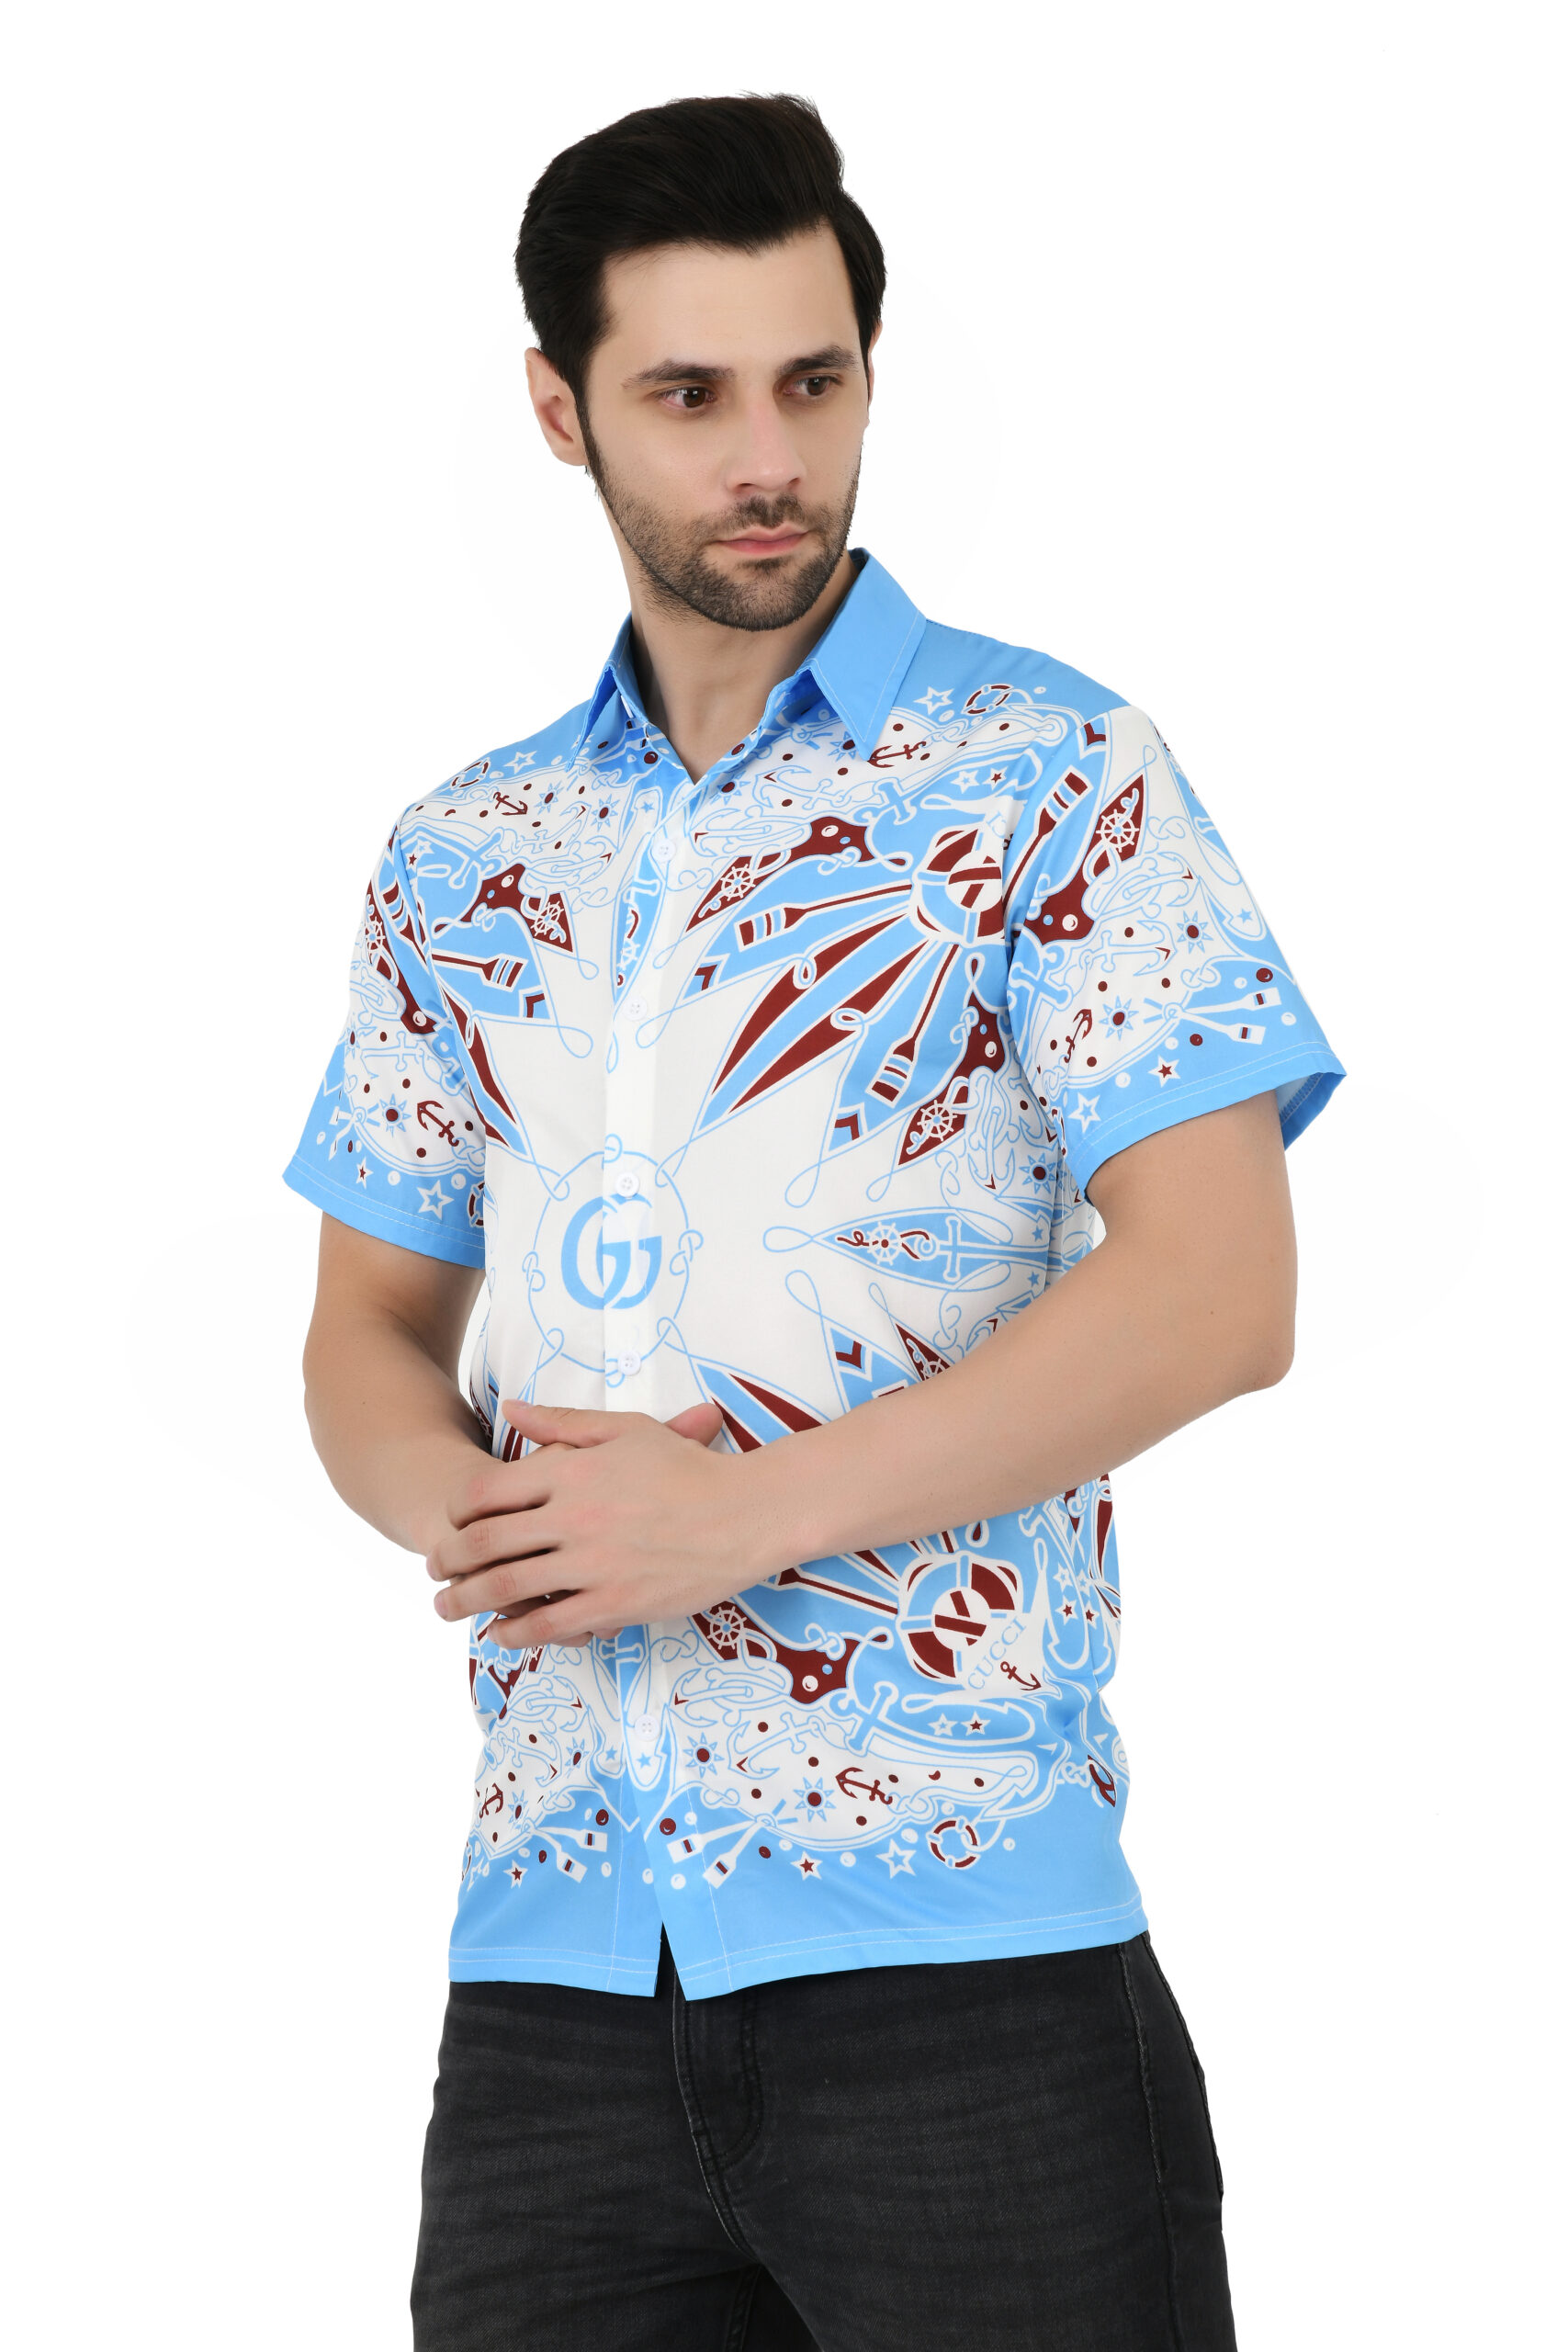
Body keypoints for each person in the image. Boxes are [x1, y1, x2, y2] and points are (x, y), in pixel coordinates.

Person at [288, 92, 1342, 2352]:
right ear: (560, 411)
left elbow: (1219, 1287)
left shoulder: (1054, 772)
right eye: (688, 395)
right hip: (552, 1983)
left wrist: (730, 1518)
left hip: (966, 1978)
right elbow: (365, 1323)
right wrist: (484, 1519)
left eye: (813, 381)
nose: (768, 458)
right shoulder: (463, 854)